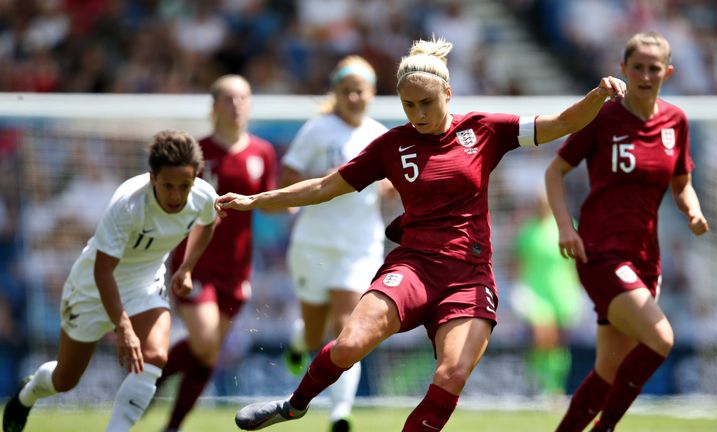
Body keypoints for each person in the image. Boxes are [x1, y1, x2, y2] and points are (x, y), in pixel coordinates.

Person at [216, 36, 626, 432]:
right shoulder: (391, 145)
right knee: (348, 344)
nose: (418, 114)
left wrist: (598, 95)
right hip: (413, 267)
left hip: (469, 276)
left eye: (426, 102)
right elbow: (325, 186)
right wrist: (256, 200)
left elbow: (562, 123)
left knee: (452, 373)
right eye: (408, 105)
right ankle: (294, 406)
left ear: (448, 92)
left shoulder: (484, 129)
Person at [545, 31, 709, 432]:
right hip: (600, 251)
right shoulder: (603, 116)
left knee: (608, 369)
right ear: (623, 69)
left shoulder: (676, 121)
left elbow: (681, 182)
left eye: (654, 68)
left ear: (667, 72)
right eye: (637, 66)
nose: (645, 74)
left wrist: (693, 210)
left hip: (645, 256)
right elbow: (556, 170)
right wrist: (566, 227)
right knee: (661, 338)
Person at [2, 130, 218, 432]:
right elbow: (102, 271)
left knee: (154, 356)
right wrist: (124, 326)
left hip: (144, 284)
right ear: (152, 176)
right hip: (92, 289)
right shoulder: (128, 204)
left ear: (195, 178)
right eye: (167, 185)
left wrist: (186, 268)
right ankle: (29, 391)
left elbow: (208, 223)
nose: (176, 195)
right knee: (65, 379)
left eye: (184, 186)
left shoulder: (203, 195)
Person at [157, 74, 278, 432]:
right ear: (214, 106)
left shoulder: (262, 152)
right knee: (207, 342)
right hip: (195, 265)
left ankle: (165, 411)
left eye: (243, 97)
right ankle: (150, 383)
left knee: (206, 352)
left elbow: (269, 203)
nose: (237, 104)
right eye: (228, 98)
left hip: (237, 270)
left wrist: (298, 204)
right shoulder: (196, 152)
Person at [279, 55, 390, 432]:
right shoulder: (318, 129)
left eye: (360, 91)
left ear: (372, 93)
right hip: (315, 243)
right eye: (347, 91)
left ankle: (340, 413)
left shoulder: (380, 134)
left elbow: (390, 184)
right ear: (336, 94)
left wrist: (392, 188)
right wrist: (315, 187)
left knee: (348, 330)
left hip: (360, 246)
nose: (354, 98)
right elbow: (289, 172)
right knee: (315, 335)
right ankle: (299, 338)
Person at [510, 190, 582, 397]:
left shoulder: (567, 226)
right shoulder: (527, 231)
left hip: (563, 293)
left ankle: (555, 388)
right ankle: (541, 385)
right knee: (543, 338)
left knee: (559, 345)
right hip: (536, 293)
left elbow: (578, 261)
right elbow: (517, 264)